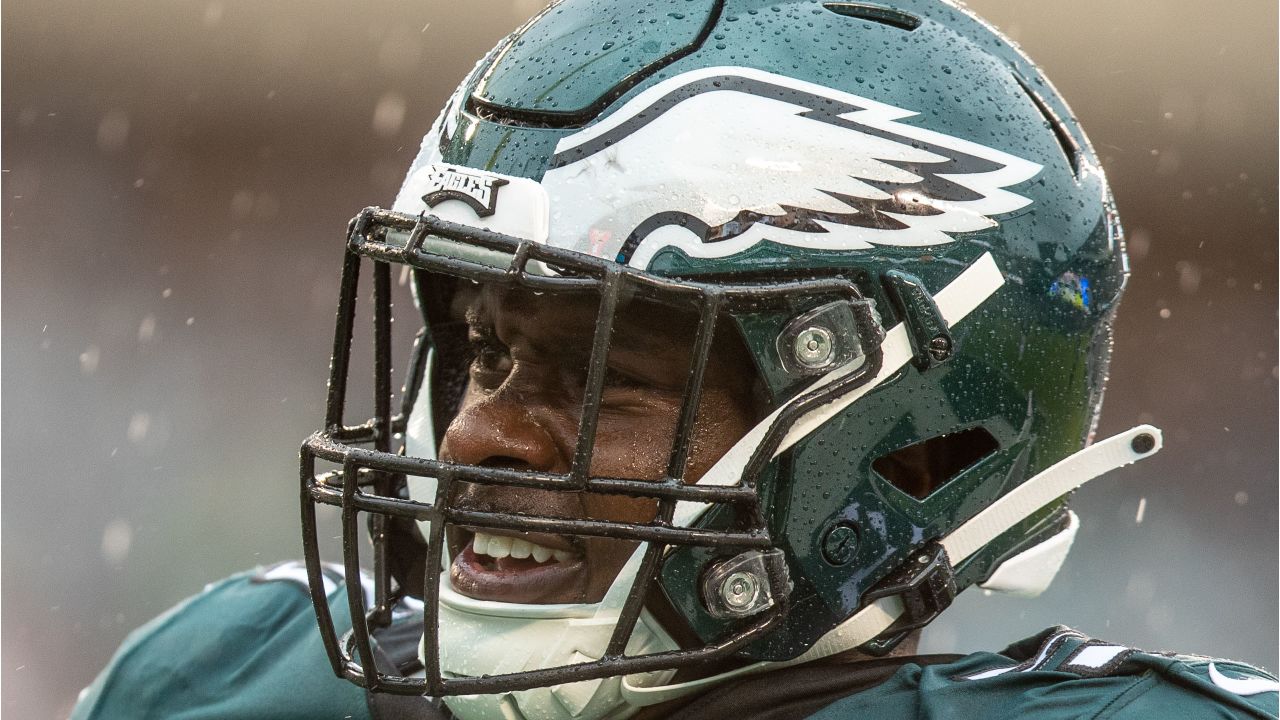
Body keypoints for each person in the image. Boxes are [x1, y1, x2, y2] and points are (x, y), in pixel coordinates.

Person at [72, 1, 1278, 718]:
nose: (476, 433)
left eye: (607, 377)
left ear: (906, 451)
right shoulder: (222, 686)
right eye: (484, 350)